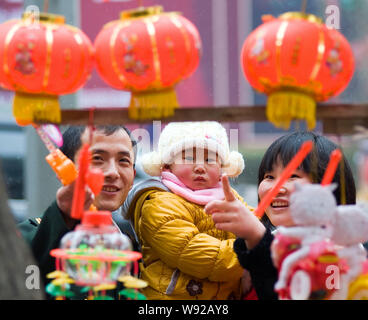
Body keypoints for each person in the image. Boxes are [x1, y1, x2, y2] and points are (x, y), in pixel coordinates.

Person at [206, 131, 356, 300]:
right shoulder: (274, 239)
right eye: (269, 176)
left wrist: (256, 239)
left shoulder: (340, 251)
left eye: (293, 176)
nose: (276, 188)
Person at [123, 121, 253, 299]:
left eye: (209, 160)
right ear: (167, 165)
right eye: (189, 159)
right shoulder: (159, 203)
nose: (200, 167)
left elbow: (256, 222)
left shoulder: (228, 197)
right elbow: (198, 254)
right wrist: (252, 253)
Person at [18, 125, 138, 289]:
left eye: (124, 161)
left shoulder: (137, 246)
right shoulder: (28, 237)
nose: (113, 172)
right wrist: (64, 214)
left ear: (134, 175)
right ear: (63, 169)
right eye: (97, 159)